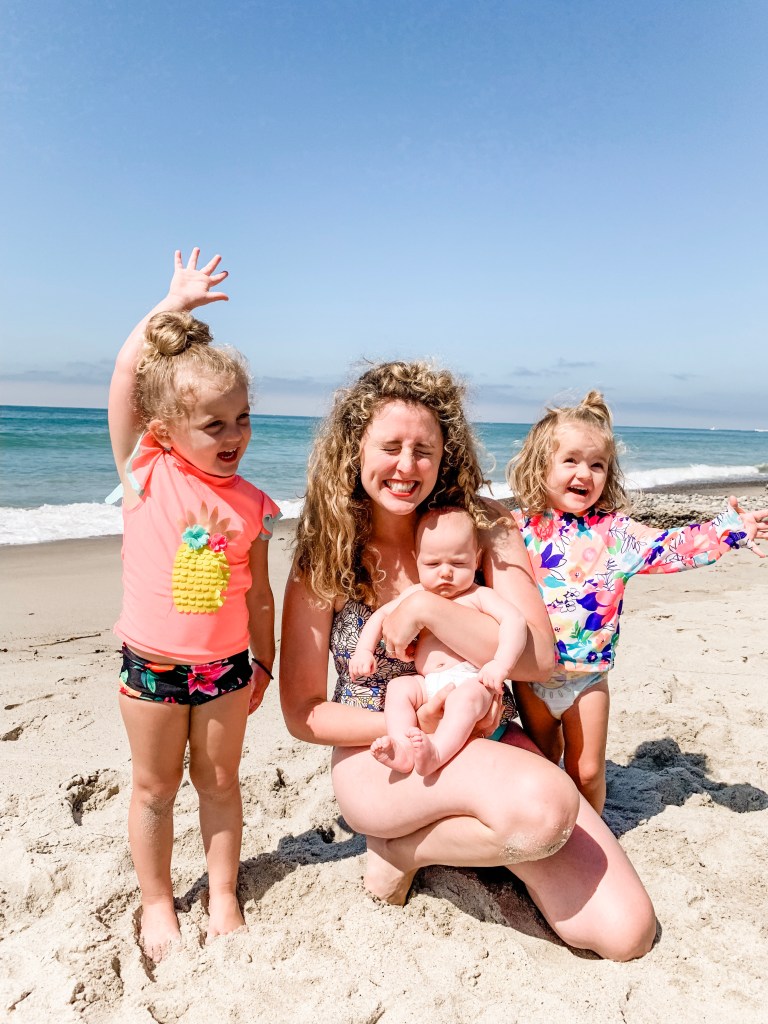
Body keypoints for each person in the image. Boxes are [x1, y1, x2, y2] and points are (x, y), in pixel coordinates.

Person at [280, 361, 657, 961]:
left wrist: (429, 607)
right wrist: (411, 725)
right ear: (355, 449)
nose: (406, 467)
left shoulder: (482, 525)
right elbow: (303, 712)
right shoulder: (330, 546)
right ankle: (400, 843)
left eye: (423, 450)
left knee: (627, 932)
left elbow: (538, 658)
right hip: (385, 756)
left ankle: (407, 849)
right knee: (545, 808)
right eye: (390, 448)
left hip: (490, 735)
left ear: (445, 453)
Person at [108, 248, 280, 962]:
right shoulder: (144, 471)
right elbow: (126, 377)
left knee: (219, 782)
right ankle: (157, 902)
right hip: (150, 666)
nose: (234, 436)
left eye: (242, 419)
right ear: (163, 429)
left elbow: (259, 593)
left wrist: (264, 662)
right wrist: (171, 304)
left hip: (225, 670)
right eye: (214, 425)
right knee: (153, 789)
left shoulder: (254, 504)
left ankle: (222, 893)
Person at [507, 390, 768, 814]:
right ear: (541, 467)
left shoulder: (617, 534)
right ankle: (556, 827)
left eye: (597, 465)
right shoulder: (514, 530)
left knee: (587, 771)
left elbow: (673, 546)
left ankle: (594, 833)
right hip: (530, 675)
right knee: (543, 761)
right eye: (570, 460)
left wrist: (730, 530)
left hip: (587, 679)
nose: (584, 473)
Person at [349, 506, 527, 775]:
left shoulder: (478, 595)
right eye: (433, 564)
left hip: (472, 681)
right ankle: (403, 748)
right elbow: (382, 615)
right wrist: (364, 650)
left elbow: (515, 621)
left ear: (476, 559)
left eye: (458, 563)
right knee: (399, 688)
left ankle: (437, 753)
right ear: (417, 559)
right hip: (428, 682)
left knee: (464, 699)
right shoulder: (415, 593)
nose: (445, 573)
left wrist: (501, 664)